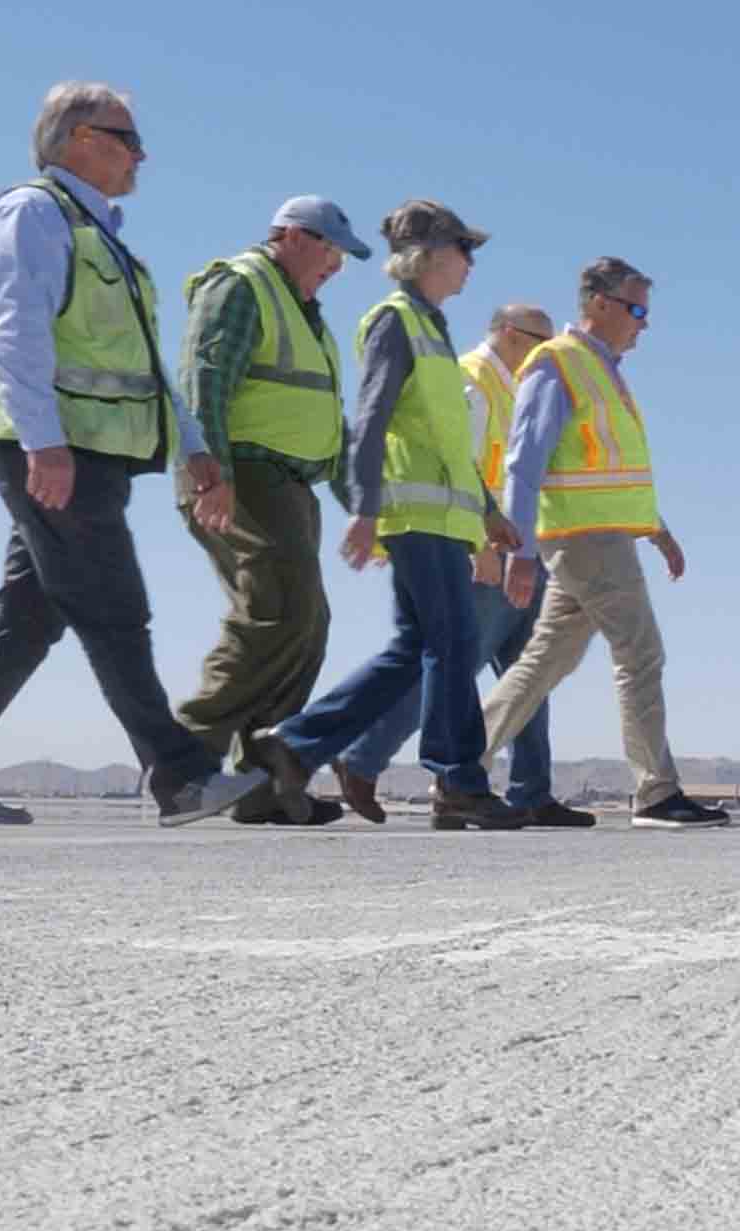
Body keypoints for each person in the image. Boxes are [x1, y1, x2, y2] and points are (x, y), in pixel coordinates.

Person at [0, 81, 265, 826]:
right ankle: (180, 776)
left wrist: (194, 448)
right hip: (56, 449)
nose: (141, 153)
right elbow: (12, 332)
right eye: (126, 136)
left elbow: (138, 360)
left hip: (91, 453)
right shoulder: (34, 214)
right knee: (116, 609)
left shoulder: (99, 234)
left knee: (28, 615)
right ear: (78, 138)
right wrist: (43, 440)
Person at [249, 201, 529, 831]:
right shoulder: (395, 323)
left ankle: (295, 746)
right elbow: (370, 420)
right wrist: (365, 510)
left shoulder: (432, 326)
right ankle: (458, 780)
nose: (470, 264)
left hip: (444, 517)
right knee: (453, 644)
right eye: (464, 250)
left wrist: (486, 511)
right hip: (411, 514)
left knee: (416, 649)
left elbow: (444, 439)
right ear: (428, 255)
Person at [482, 257, 726, 829]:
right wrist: (517, 552)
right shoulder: (558, 364)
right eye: (635, 309)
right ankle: (657, 793)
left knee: (545, 661)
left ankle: (460, 764)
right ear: (597, 303)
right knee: (640, 653)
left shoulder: (603, 369)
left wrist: (655, 529)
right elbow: (524, 464)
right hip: (583, 540)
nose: (643, 323)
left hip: (598, 535)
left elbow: (611, 472)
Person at [329, 304, 592, 828]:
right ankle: (362, 757)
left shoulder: (515, 389)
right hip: (486, 552)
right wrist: (482, 548)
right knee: (452, 670)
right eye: (540, 344)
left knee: (528, 675)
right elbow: (462, 468)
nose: (547, 358)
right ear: (511, 336)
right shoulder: (472, 380)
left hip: (521, 550)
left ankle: (530, 791)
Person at [173, 197, 373, 826]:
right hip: (243, 477)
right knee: (273, 614)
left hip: (289, 485)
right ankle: (180, 758)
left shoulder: (305, 313)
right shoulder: (241, 286)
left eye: (343, 254)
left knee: (304, 624)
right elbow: (206, 381)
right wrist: (213, 474)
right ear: (289, 236)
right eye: (330, 249)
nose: (336, 265)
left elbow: (325, 424)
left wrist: (365, 509)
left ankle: (263, 785)